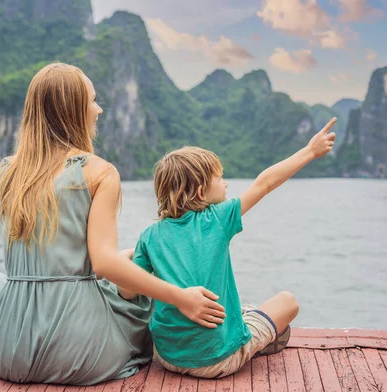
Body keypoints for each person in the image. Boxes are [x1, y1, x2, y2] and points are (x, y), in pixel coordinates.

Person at [0, 63, 226, 385]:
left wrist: (123, 256)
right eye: (92, 100)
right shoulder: (98, 172)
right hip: (82, 354)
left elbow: (64, 261)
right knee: (138, 294)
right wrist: (182, 297)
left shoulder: (5, 172)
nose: (98, 110)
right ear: (71, 110)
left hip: (7, 353)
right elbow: (104, 264)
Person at [118, 117, 337, 378]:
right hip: (216, 361)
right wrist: (310, 151)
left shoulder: (149, 236)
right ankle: (249, 334)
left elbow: (128, 291)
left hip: (166, 355)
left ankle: (242, 319)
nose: (226, 183)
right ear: (200, 192)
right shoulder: (218, 219)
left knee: (230, 308)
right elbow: (264, 183)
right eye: (219, 178)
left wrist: (130, 255)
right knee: (287, 302)